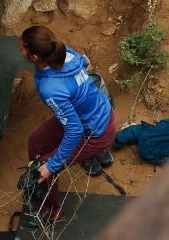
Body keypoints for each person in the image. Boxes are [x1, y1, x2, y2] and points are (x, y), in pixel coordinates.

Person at [19, 26, 116, 227]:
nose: (19, 50)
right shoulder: (61, 50)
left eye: (22, 48)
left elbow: (74, 130)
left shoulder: (50, 89)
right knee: (35, 142)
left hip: (95, 131)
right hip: (87, 112)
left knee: (45, 166)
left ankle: (52, 212)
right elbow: (84, 60)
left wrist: (51, 167)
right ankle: (40, 185)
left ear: (35, 56)